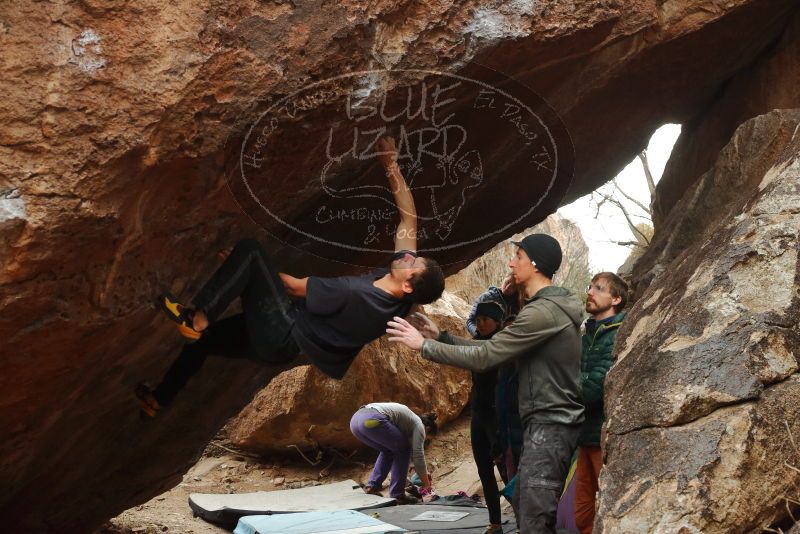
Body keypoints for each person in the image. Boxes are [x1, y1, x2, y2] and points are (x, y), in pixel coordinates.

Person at [136, 136, 445, 417]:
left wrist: (243, 267)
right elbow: (410, 219)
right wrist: (390, 165)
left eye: (412, 263)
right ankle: (159, 398)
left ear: (407, 284)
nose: (408, 256)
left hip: (283, 330)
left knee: (250, 252)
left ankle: (196, 317)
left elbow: (293, 288)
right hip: (282, 346)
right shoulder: (401, 297)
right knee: (204, 343)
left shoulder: (356, 294)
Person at [387, 233, 584, 534]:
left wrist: (424, 347)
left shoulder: (543, 312)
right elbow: (491, 347)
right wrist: (441, 338)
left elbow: (487, 356)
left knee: (534, 517)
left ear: (535, 263)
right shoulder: (544, 309)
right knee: (528, 506)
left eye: (517, 256)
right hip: (542, 425)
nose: (510, 262)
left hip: (550, 427)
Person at [574, 272, 628, 534]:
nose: (590, 292)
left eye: (599, 288)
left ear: (616, 298)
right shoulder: (588, 333)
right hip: (583, 434)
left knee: (608, 508)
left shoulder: (619, 332)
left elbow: (594, 388)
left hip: (603, 437)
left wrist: (566, 383)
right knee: (582, 511)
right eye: (590, 286)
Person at [349, 402, 437, 504]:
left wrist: (406, 478)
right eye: (426, 439)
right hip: (371, 419)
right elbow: (418, 455)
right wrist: (427, 485)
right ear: (427, 429)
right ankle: (398, 494)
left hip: (355, 421)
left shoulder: (405, 422)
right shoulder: (419, 425)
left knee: (388, 451)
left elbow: (399, 454)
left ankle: (372, 487)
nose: (422, 440)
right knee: (404, 449)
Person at [469, 301, 506, 534]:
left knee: (505, 469)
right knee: (484, 469)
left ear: (497, 322)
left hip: (498, 415)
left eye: (485, 319)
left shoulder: (504, 344)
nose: (480, 323)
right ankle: (495, 522)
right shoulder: (473, 345)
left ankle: (527, 520)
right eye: (478, 319)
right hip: (479, 414)